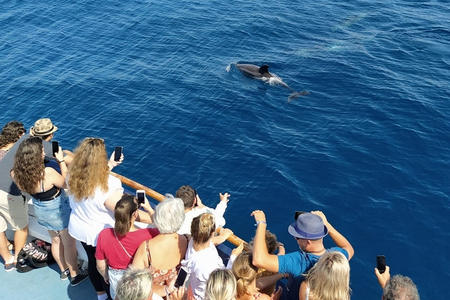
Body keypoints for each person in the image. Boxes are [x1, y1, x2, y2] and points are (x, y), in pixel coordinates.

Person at [11, 137, 87, 283]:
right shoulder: (48, 173)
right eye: (41, 151)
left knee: (55, 241)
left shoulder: (16, 174)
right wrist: (61, 161)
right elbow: (66, 183)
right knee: (68, 243)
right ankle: (75, 274)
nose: (43, 153)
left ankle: (64, 270)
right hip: (58, 210)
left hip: (41, 210)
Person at [68, 137, 126, 300]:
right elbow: (121, 209)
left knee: (93, 263)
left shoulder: (72, 175)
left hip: (80, 228)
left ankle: (100, 295)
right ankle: (110, 294)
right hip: (101, 234)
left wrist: (111, 164)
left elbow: (91, 180)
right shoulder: (111, 183)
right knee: (107, 267)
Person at [251, 210, 354, 299]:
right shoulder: (337, 258)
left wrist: (261, 223)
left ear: (307, 242)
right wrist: (327, 225)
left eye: (297, 237)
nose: (295, 239)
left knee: (250, 286)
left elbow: (259, 260)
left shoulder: (299, 261)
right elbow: (349, 248)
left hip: (288, 296)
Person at [96, 194, 158, 299]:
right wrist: (149, 209)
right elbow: (163, 229)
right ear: (135, 214)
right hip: (137, 280)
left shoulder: (104, 234)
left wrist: (106, 276)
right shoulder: (146, 235)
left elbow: (100, 265)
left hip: (115, 279)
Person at [132, 196, 188, 298]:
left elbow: (134, 284)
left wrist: (164, 290)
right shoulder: (186, 240)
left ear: (158, 219)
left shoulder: (146, 249)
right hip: (176, 296)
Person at [181, 213, 241, 300]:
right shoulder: (208, 264)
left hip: (196, 288)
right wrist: (233, 257)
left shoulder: (193, 241)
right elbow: (223, 281)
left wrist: (222, 237)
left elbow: (209, 242)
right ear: (212, 234)